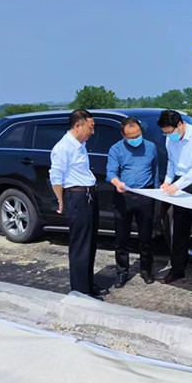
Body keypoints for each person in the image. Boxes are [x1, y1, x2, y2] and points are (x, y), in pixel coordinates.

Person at [49, 110, 106, 299]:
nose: (93, 132)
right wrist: (61, 200)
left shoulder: (81, 144)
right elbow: (56, 177)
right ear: (77, 125)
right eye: (91, 127)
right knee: (80, 244)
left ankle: (87, 284)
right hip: (77, 197)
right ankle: (80, 291)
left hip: (88, 196)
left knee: (90, 243)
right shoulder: (63, 147)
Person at [158, 109, 192, 286]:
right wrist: (168, 181)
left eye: (170, 132)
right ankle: (177, 269)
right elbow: (171, 162)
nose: (169, 136)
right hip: (179, 183)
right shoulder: (170, 138)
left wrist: (177, 185)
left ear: (180, 124)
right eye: (166, 133)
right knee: (179, 228)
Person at [107, 117, 159, 288]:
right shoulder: (116, 149)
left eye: (138, 135)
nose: (136, 139)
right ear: (123, 135)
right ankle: (122, 272)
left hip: (145, 195)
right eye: (131, 137)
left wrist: (156, 194)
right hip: (124, 196)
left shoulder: (150, 147)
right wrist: (117, 183)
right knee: (122, 237)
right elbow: (111, 172)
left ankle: (146, 270)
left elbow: (155, 171)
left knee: (146, 236)